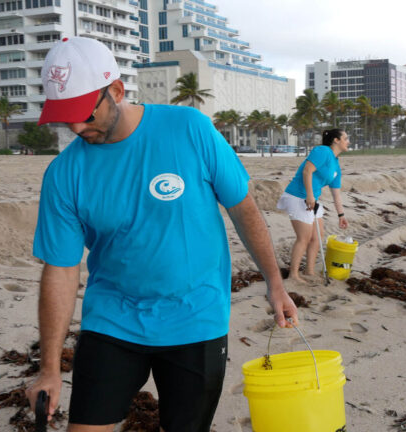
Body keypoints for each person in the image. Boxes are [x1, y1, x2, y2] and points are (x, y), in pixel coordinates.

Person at [24, 37, 298, 432]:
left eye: (84, 114)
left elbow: (243, 209)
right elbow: (61, 270)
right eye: (63, 118)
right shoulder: (64, 174)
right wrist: (49, 369)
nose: (75, 127)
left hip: (196, 318)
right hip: (112, 321)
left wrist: (275, 283)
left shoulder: (190, 129)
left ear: (116, 91)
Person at [277, 129, 349, 284]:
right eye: (345, 138)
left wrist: (341, 215)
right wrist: (309, 195)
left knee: (317, 237)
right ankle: (293, 275)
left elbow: (336, 194)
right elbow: (307, 171)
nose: (348, 141)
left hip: (312, 200)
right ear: (336, 140)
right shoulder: (322, 151)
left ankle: (309, 270)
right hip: (298, 196)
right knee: (304, 238)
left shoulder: (336, 164)